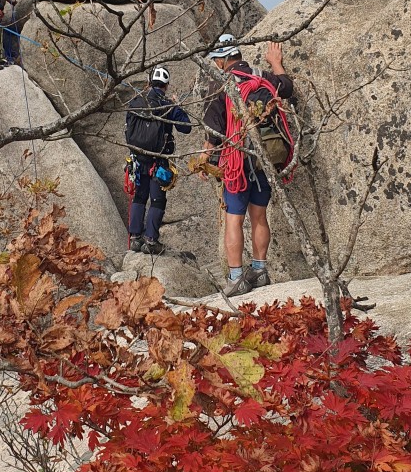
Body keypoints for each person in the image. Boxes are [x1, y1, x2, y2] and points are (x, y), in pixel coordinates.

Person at [203, 34, 294, 296]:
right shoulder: (262, 77)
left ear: (221, 61)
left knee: (234, 219)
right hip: (264, 158)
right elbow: (287, 87)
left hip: (237, 159)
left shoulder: (219, 85)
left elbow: (214, 132)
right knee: (259, 215)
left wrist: (206, 162)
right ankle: (260, 270)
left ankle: (236, 278)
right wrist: (276, 62)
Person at [125, 66, 191, 254]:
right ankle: (151, 241)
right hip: (158, 160)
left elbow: (127, 128)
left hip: (137, 159)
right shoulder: (167, 104)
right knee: (157, 200)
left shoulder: (136, 102)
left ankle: (135, 238)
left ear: (149, 82)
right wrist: (176, 106)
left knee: (139, 196)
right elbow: (186, 127)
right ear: (166, 85)